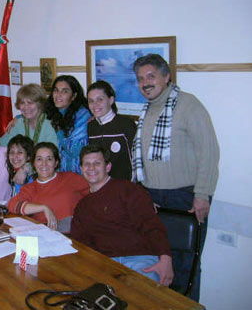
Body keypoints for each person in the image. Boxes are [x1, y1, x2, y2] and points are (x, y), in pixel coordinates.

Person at [131, 53, 219, 300]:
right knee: (157, 259)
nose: (145, 83)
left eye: (151, 76)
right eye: (140, 79)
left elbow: (209, 152)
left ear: (167, 76)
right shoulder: (147, 110)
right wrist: (143, 194)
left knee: (185, 266)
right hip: (154, 198)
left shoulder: (188, 105)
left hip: (185, 199)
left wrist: (201, 195)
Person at [71, 145, 174, 286]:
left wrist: (165, 258)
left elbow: (151, 224)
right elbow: (80, 243)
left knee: (141, 299)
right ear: (81, 169)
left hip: (140, 260)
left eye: (97, 163)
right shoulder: (82, 207)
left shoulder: (128, 190)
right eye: (87, 164)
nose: (91, 168)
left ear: (108, 167)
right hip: (104, 264)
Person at [8, 142, 89, 232]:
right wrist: (43, 208)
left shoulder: (71, 178)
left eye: (49, 159)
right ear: (33, 163)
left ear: (56, 163)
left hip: (76, 233)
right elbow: (12, 205)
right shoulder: (30, 188)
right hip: (47, 236)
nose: (44, 164)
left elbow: (94, 192)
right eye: (39, 159)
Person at [87, 80, 137, 180]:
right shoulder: (91, 127)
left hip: (125, 187)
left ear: (111, 100)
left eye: (100, 99)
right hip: (101, 186)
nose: (95, 104)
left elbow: (136, 160)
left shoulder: (126, 124)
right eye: (91, 101)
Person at [45, 75, 92, 174]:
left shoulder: (83, 115)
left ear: (74, 96)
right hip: (62, 173)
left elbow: (75, 151)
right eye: (56, 90)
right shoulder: (57, 112)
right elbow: (34, 110)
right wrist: (18, 117)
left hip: (81, 173)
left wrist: (59, 131)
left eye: (65, 91)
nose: (58, 95)